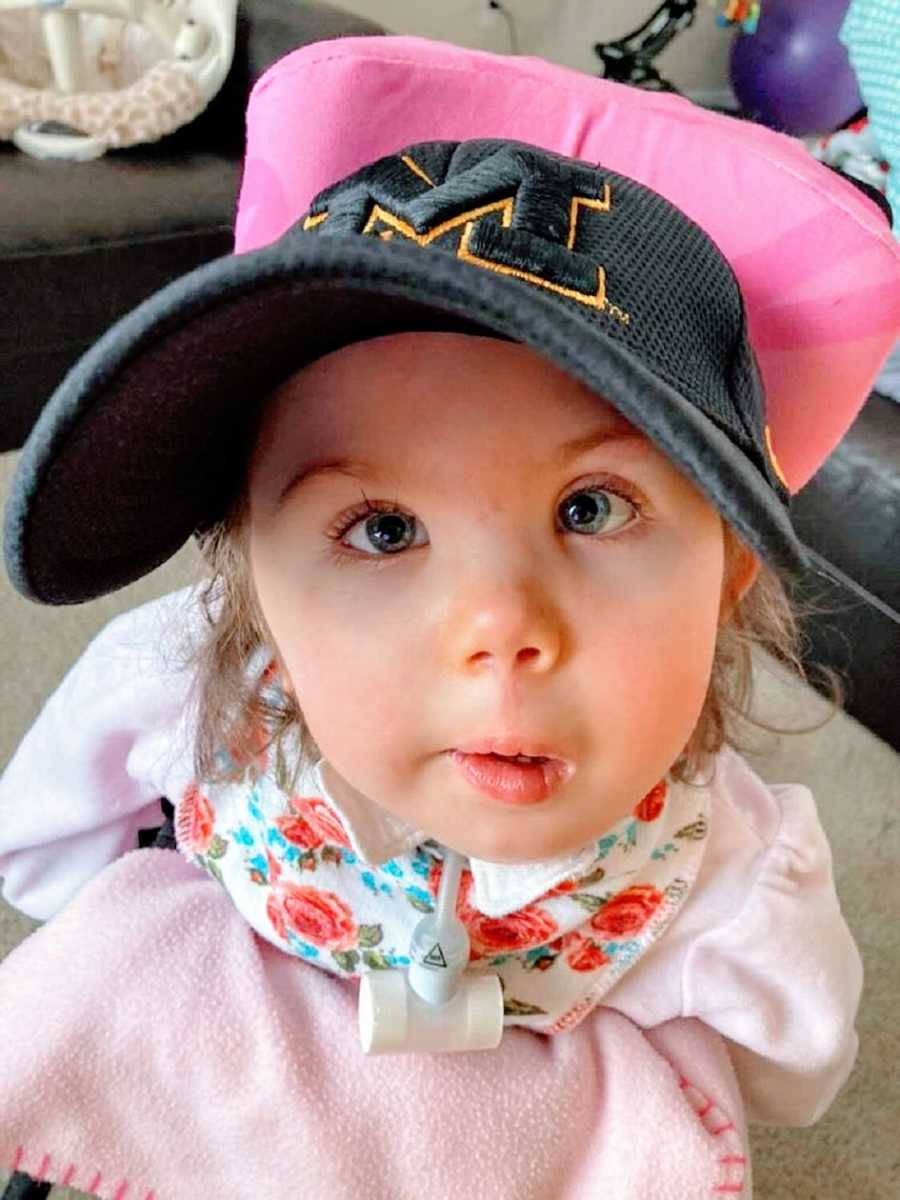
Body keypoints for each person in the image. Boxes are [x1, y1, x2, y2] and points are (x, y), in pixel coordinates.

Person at [1, 34, 897, 1199]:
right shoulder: (180, 688)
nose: (499, 627)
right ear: (251, 570)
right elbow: (51, 839)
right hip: (243, 990)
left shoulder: (727, 862)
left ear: (727, 570)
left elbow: (788, 1060)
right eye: (382, 529)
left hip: (538, 1088)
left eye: (592, 507)